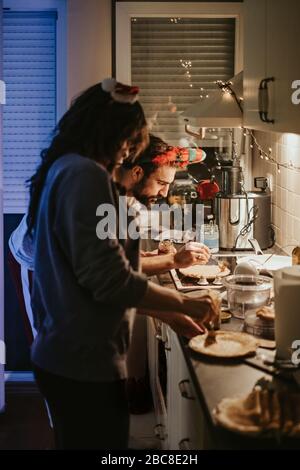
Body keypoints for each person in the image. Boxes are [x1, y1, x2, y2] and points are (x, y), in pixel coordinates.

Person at [25, 78, 219, 450]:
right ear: (109, 133)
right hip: (82, 365)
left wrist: (167, 313)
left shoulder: (67, 168)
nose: (128, 152)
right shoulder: (86, 176)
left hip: (67, 360)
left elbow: (95, 280)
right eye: (130, 142)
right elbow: (111, 282)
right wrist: (185, 302)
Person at [115, 134, 211, 414]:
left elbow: (118, 260)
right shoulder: (103, 200)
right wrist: (174, 262)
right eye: (161, 183)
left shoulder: (128, 198)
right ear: (136, 172)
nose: (165, 193)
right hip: (33, 262)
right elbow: (109, 272)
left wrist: (156, 258)